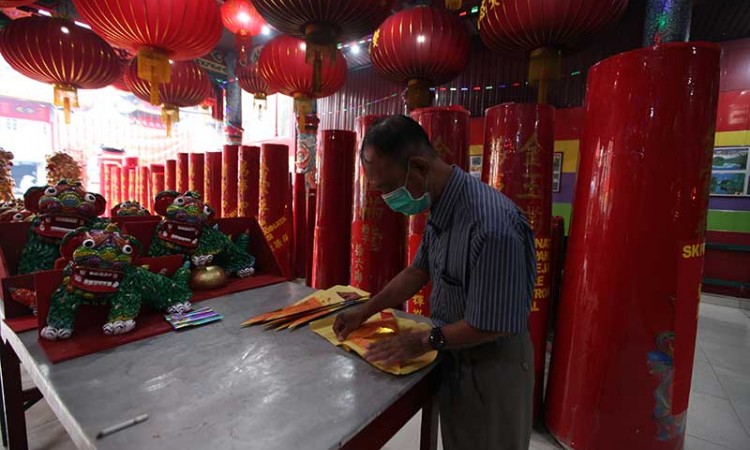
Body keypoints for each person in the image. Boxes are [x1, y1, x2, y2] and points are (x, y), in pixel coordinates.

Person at [334, 115, 536, 450]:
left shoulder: (492, 226)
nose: (387, 198)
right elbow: (417, 272)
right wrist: (364, 311)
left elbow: (493, 325)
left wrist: (425, 340)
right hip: (454, 353)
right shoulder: (441, 205)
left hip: (493, 367)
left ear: (419, 167)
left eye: (388, 188)